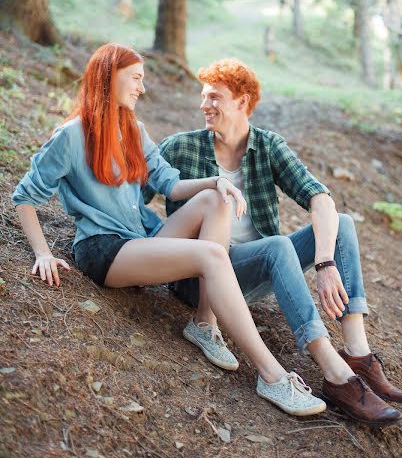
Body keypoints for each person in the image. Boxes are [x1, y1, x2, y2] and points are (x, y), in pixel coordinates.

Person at [12, 43, 330, 418]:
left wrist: (216, 182)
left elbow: (172, 185)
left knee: (219, 200)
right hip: (105, 250)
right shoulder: (71, 135)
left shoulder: (134, 129)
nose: (141, 88)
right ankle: (272, 375)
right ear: (108, 77)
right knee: (211, 254)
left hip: (143, 241)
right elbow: (24, 197)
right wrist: (43, 253)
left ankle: (203, 323)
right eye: (135, 79)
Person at [145, 58, 402, 428]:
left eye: (215, 97)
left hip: (255, 274)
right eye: (203, 97)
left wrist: (324, 263)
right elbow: (132, 198)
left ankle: (357, 354)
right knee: (277, 246)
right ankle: (334, 374)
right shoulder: (180, 148)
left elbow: (319, 198)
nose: (205, 105)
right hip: (199, 280)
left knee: (341, 223)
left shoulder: (268, 146)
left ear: (242, 101)